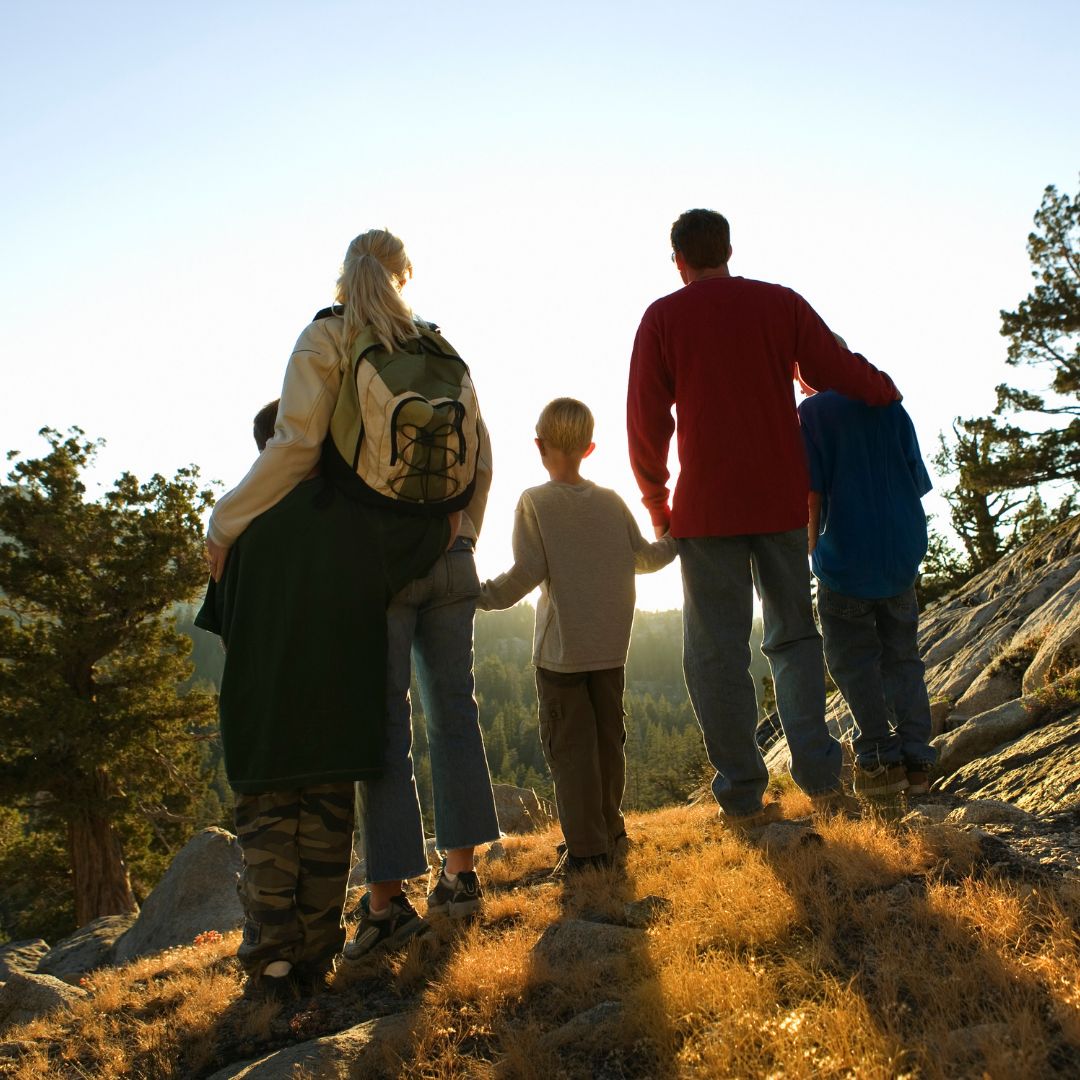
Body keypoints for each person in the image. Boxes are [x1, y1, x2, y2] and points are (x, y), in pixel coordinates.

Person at [204, 229, 499, 964]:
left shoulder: (329, 336)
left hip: (370, 560)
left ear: (343, 276)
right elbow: (481, 458)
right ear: (405, 276)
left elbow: (296, 446)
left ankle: (387, 904)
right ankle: (461, 880)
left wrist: (225, 520)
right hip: (447, 552)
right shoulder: (434, 344)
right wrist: (461, 536)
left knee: (384, 733)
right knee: (457, 717)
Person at [626, 208, 902, 828]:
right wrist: (884, 388)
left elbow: (646, 423)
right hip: (780, 499)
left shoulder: (663, 317)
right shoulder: (781, 304)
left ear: (678, 261)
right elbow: (832, 367)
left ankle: (744, 792)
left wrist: (658, 505)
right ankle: (820, 778)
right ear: (728, 249)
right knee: (793, 637)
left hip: (706, 511)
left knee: (716, 652)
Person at [195, 399, 450, 998]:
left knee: (269, 842)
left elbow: (227, 630)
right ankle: (316, 959)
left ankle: (275, 967)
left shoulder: (237, 527)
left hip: (264, 720)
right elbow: (442, 530)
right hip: (339, 714)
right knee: (327, 841)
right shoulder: (357, 518)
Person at [477, 398, 677, 868]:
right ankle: (610, 832)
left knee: (570, 750)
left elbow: (526, 573)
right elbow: (646, 558)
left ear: (539, 446)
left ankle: (588, 854)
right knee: (610, 746)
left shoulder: (535, 502)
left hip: (562, 654)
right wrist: (678, 538)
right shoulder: (611, 501)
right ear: (589, 448)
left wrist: (478, 595)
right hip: (610, 649)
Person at [798, 374, 937, 797]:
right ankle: (918, 765)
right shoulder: (889, 404)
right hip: (899, 556)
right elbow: (917, 482)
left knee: (853, 662)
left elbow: (811, 493)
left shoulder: (813, 413)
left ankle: (879, 759)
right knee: (903, 658)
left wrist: (806, 551)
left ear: (808, 373)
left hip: (846, 560)